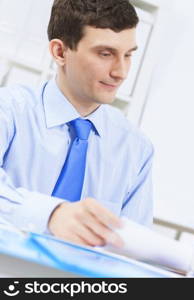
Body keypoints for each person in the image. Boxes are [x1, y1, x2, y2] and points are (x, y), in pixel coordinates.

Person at [0, 0, 153, 248]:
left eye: (128, 55)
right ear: (60, 52)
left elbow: (134, 247)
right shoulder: (8, 111)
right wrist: (51, 215)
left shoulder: (136, 149)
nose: (121, 72)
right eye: (106, 54)